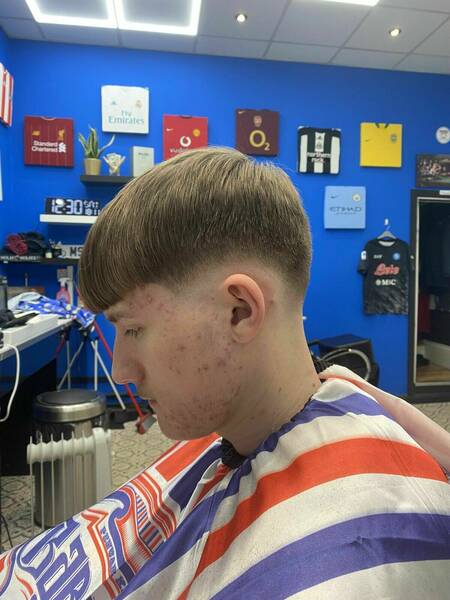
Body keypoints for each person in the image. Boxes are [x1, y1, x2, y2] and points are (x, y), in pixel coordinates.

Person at [1, 147, 449, 599]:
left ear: (240, 311)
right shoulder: (228, 428)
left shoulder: (348, 575)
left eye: (133, 329)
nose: (120, 372)